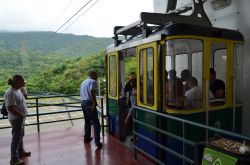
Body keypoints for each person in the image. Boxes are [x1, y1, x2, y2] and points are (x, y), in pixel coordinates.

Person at [4, 75, 31, 165]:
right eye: (22, 82)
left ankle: (20, 151)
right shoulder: (10, 92)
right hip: (16, 119)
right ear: (16, 82)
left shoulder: (18, 90)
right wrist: (20, 116)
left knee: (20, 135)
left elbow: (24, 99)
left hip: (20, 118)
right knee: (16, 138)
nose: (24, 83)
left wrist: (24, 91)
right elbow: (9, 108)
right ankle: (14, 159)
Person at [80, 71, 102, 149]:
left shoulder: (83, 82)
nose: (97, 77)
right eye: (96, 75)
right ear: (92, 75)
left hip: (83, 103)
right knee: (96, 123)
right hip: (89, 103)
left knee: (87, 121)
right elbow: (92, 92)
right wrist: (94, 103)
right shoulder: (93, 82)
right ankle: (97, 142)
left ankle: (87, 138)